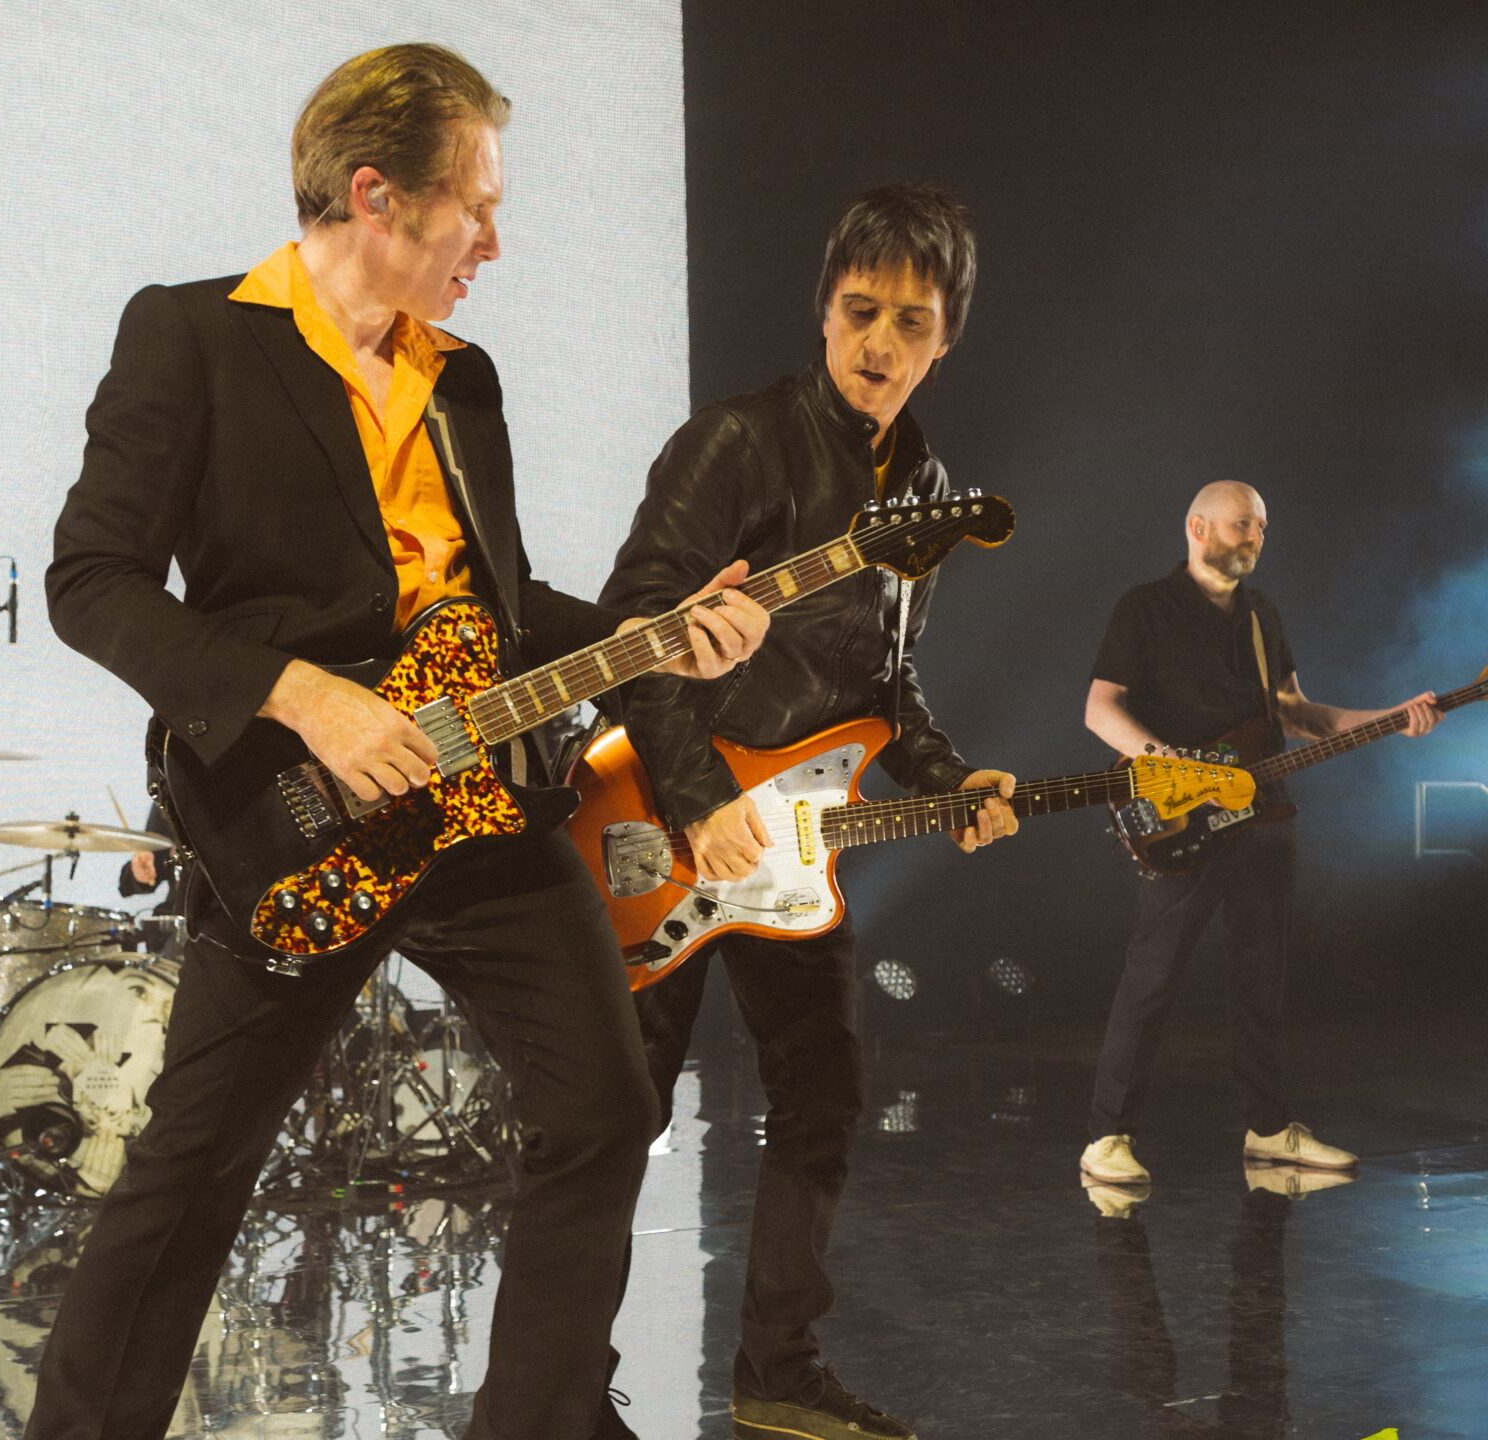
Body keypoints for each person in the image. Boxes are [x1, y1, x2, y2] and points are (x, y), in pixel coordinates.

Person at [30, 44, 770, 1440]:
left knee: (608, 1109)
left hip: (478, 812)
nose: (495, 238)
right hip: (290, 814)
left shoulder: (462, 378)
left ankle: (539, 1421)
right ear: (377, 195)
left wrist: (660, 632)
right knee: (195, 1170)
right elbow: (92, 581)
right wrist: (304, 696)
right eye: (474, 206)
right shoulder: (195, 336)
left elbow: (498, 613)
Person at [594, 184, 1019, 1440]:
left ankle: (776, 1369)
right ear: (822, 310)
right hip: (664, 824)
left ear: (947, 337)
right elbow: (631, 627)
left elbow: (884, 683)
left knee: (823, 1096)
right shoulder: (736, 443)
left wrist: (950, 784)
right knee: (615, 1118)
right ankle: (562, 1389)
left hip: (790, 852)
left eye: (909, 319)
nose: (878, 342)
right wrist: (696, 792)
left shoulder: (926, 486)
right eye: (857, 309)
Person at [1078, 480, 1439, 1187]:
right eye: (1243, 524)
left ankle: (1269, 1129)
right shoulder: (1146, 607)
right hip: (1184, 819)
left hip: (1264, 814)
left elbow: (1297, 714)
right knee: (1153, 979)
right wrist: (1162, 763)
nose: (1255, 538)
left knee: (1262, 979)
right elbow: (1100, 708)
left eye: (1263, 528)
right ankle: (1107, 1136)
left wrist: (1393, 715)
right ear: (1197, 526)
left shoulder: (1260, 613)